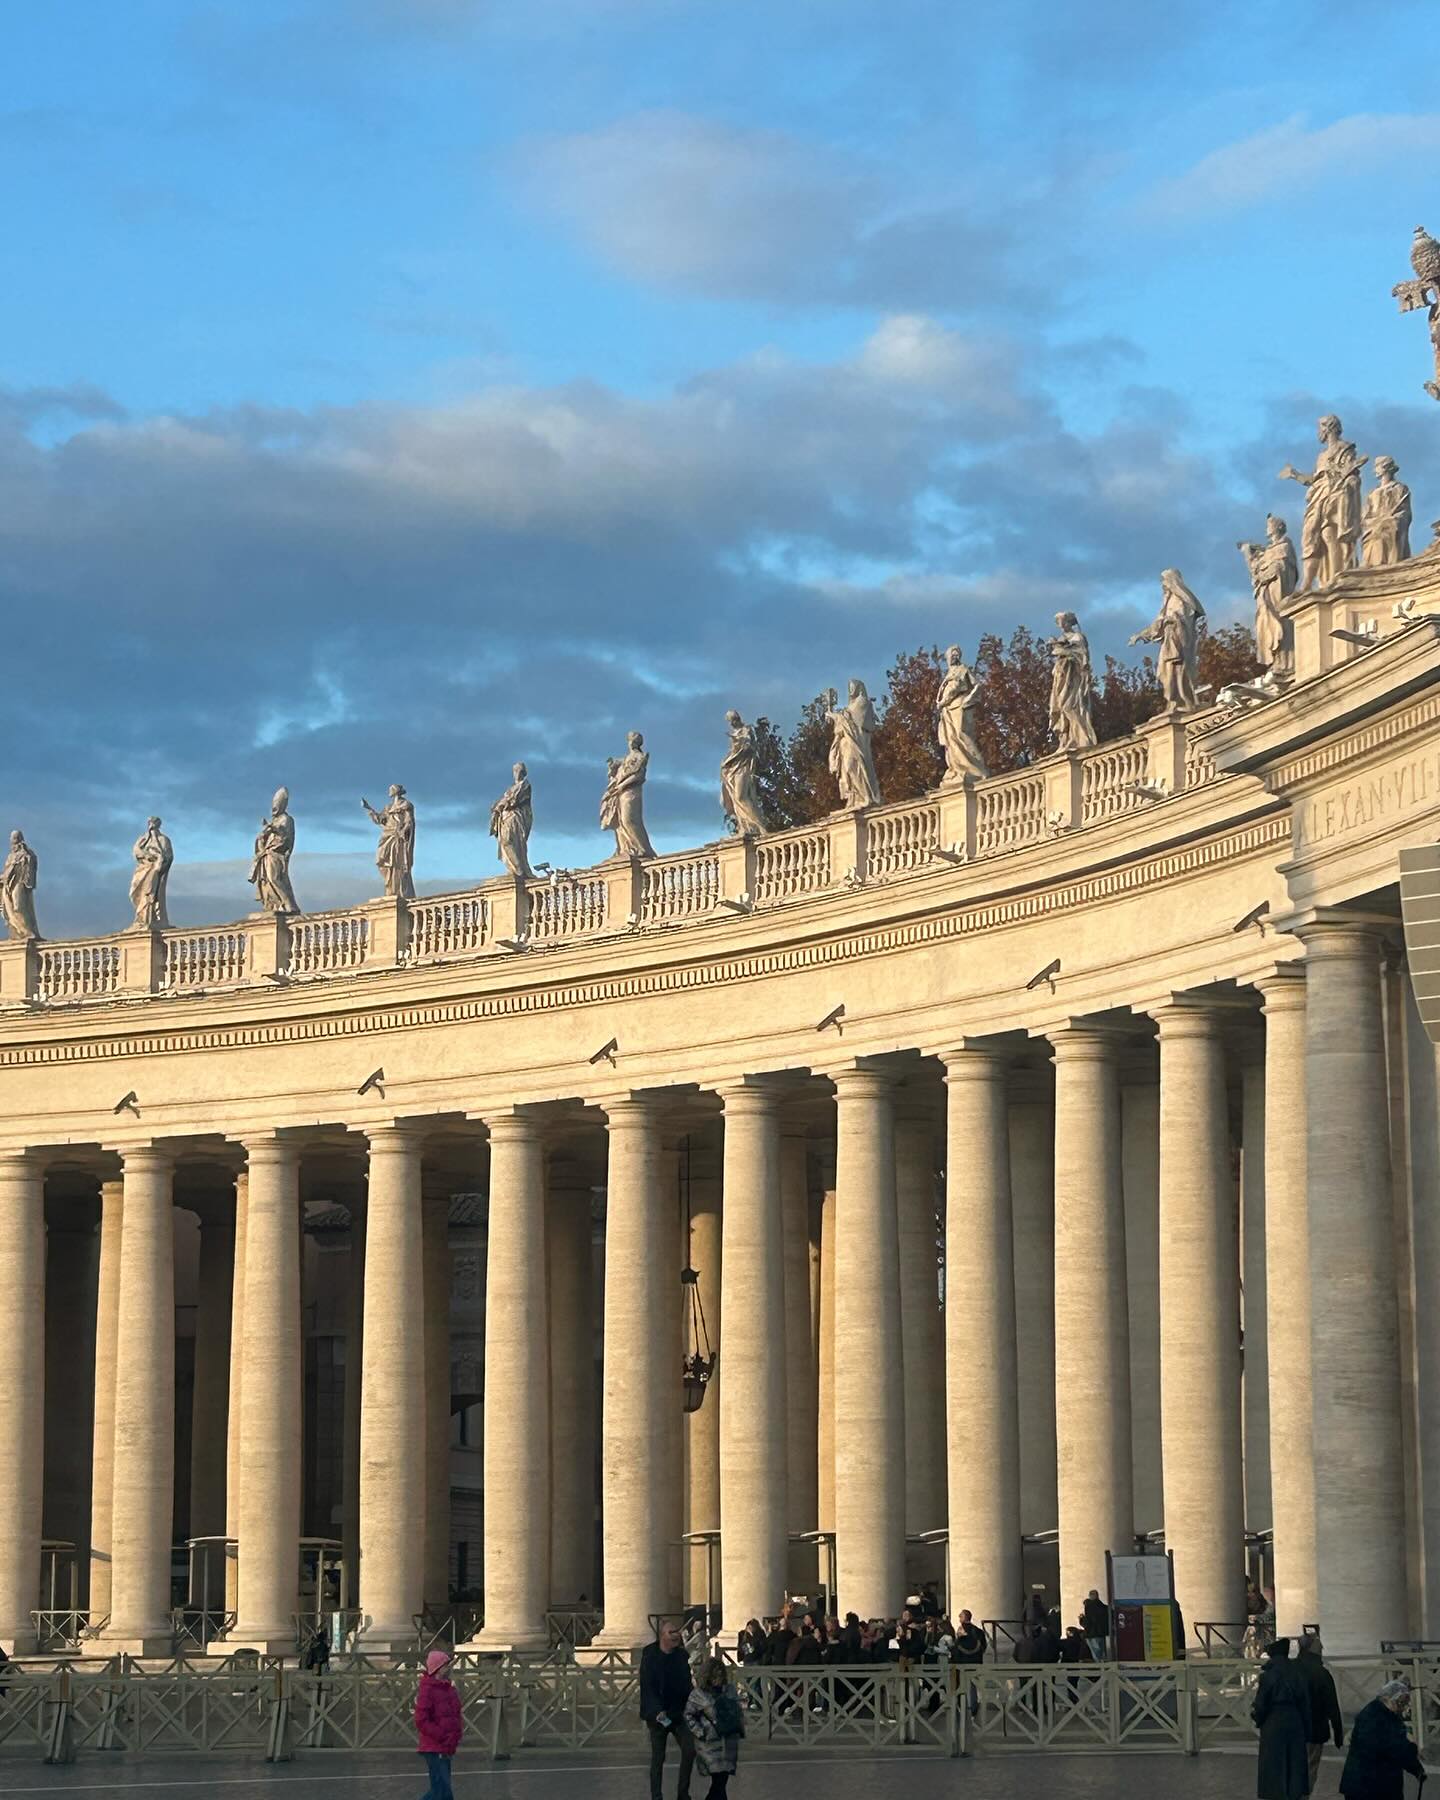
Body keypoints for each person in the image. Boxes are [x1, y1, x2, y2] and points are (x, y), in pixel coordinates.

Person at [1340, 1678, 1425, 1800]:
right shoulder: (1378, 1718)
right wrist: (1413, 1751)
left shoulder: (1382, 1714)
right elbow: (1396, 1748)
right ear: (1388, 1699)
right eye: (1401, 1701)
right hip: (1370, 1787)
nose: (1404, 1706)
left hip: (1368, 1785)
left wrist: (1416, 1768)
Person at [640, 1620, 695, 1800]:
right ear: (662, 1636)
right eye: (672, 1632)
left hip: (677, 1713)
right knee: (658, 1757)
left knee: (689, 1750)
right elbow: (647, 1686)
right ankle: (656, 1796)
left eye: (677, 1631)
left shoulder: (681, 1656)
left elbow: (687, 1685)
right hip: (658, 1716)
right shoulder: (649, 1655)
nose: (676, 1635)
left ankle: (683, 1794)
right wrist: (657, 1711)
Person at [1252, 1637, 1312, 1800]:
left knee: (1274, 1765)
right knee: (1294, 1763)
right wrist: (1307, 1727)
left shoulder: (1268, 1675)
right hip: (1294, 1720)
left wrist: (1258, 1719)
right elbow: (1305, 1702)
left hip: (1273, 1721)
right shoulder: (1298, 1672)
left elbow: (1261, 1703)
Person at [684, 1654, 746, 1800]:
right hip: (709, 1743)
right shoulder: (698, 1694)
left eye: (721, 1673)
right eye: (715, 1674)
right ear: (708, 1675)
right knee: (718, 1781)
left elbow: (737, 1708)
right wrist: (700, 1732)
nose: (719, 1677)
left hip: (728, 1741)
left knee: (722, 1781)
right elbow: (688, 1715)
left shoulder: (729, 1689)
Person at [1297, 1633, 1344, 1792]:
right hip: (1315, 1729)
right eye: (1319, 1645)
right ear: (1312, 1648)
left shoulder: (1292, 1669)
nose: (1323, 1648)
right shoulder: (1322, 1673)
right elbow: (1332, 1705)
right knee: (1310, 1767)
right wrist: (1338, 1731)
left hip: (1293, 1728)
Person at [414, 1649, 463, 1800]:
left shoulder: (449, 1689)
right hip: (434, 1746)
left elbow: (455, 1714)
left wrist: (456, 1734)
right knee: (442, 1791)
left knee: (441, 1791)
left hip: (447, 1745)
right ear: (437, 1668)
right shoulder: (427, 1689)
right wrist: (442, 1735)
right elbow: (421, 1719)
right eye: (446, 1665)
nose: (449, 1668)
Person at [1082, 1588, 1110, 1663]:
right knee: (1103, 1653)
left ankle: (1100, 1670)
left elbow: (1088, 1621)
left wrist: (1081, 1620)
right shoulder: (1104, 1607)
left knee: (1096, 1655)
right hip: (1102, 1633)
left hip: (1092, 1633)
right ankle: (1104, 1668)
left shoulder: (1089, 1607)